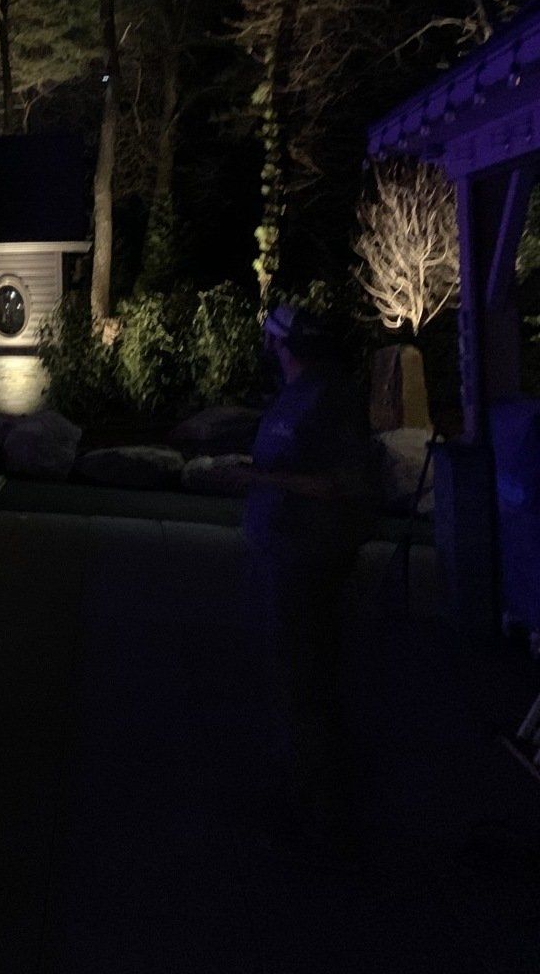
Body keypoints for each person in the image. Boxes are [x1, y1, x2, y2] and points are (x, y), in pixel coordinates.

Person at [228, 304, 377, 855]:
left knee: (309, 686)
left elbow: (344, 482)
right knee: (293, 685)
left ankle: (320, 820)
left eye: (271, 337)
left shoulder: (329, 397)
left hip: (310, 563)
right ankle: (300, 801)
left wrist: (260, 477)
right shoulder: (296, 395)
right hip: (283, 558)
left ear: (284, 344)